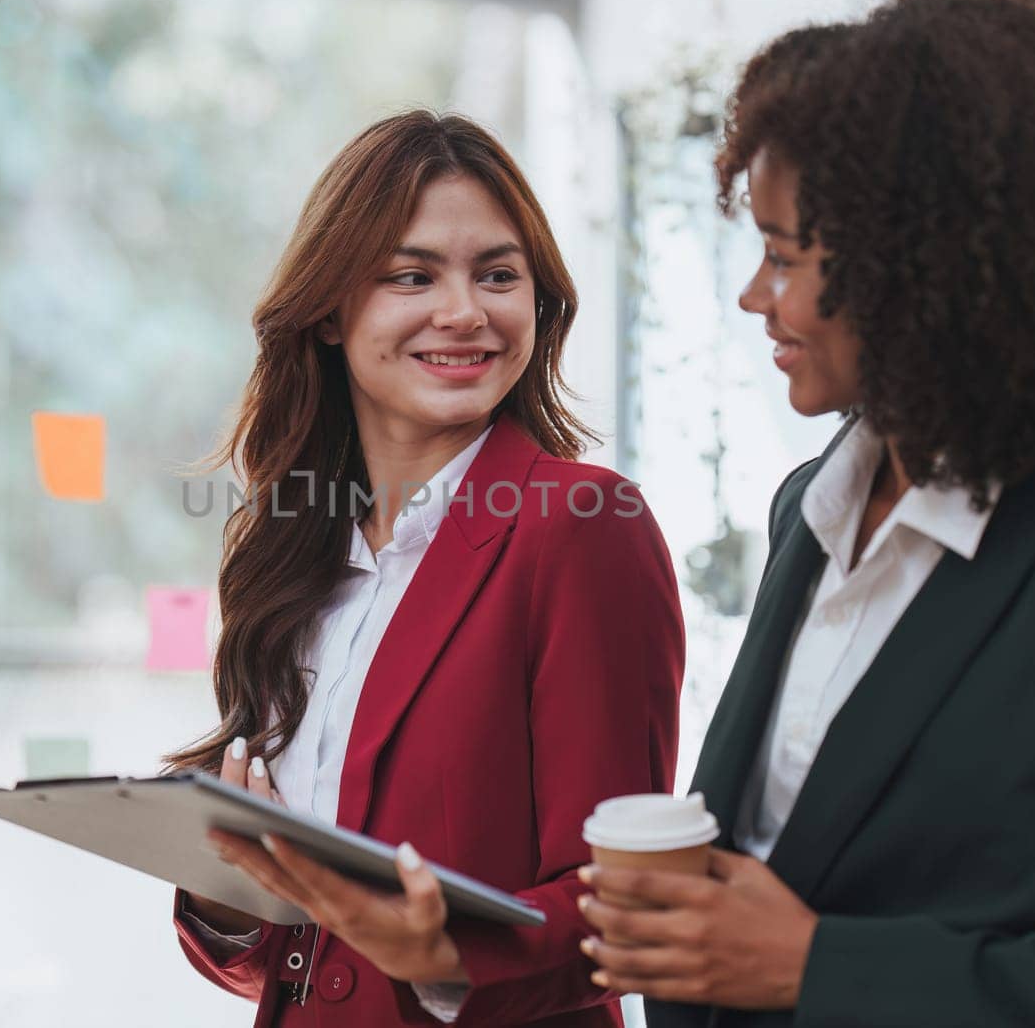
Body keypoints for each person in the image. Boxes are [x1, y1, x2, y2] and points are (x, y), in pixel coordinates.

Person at [578, 0, 1035, 1027]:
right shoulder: (809, 510)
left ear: (925, 274)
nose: (752, 295)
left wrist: (818, 966)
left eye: (783, 256)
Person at [166, 110, 685, 1027]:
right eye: (413, 276)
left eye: (497, 275)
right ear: (327, 311)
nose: (464, 312)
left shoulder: (582, 528)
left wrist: (440, 952)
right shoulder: (298, 548)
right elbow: (309, 960)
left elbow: (622, 902)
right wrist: (228, 892)